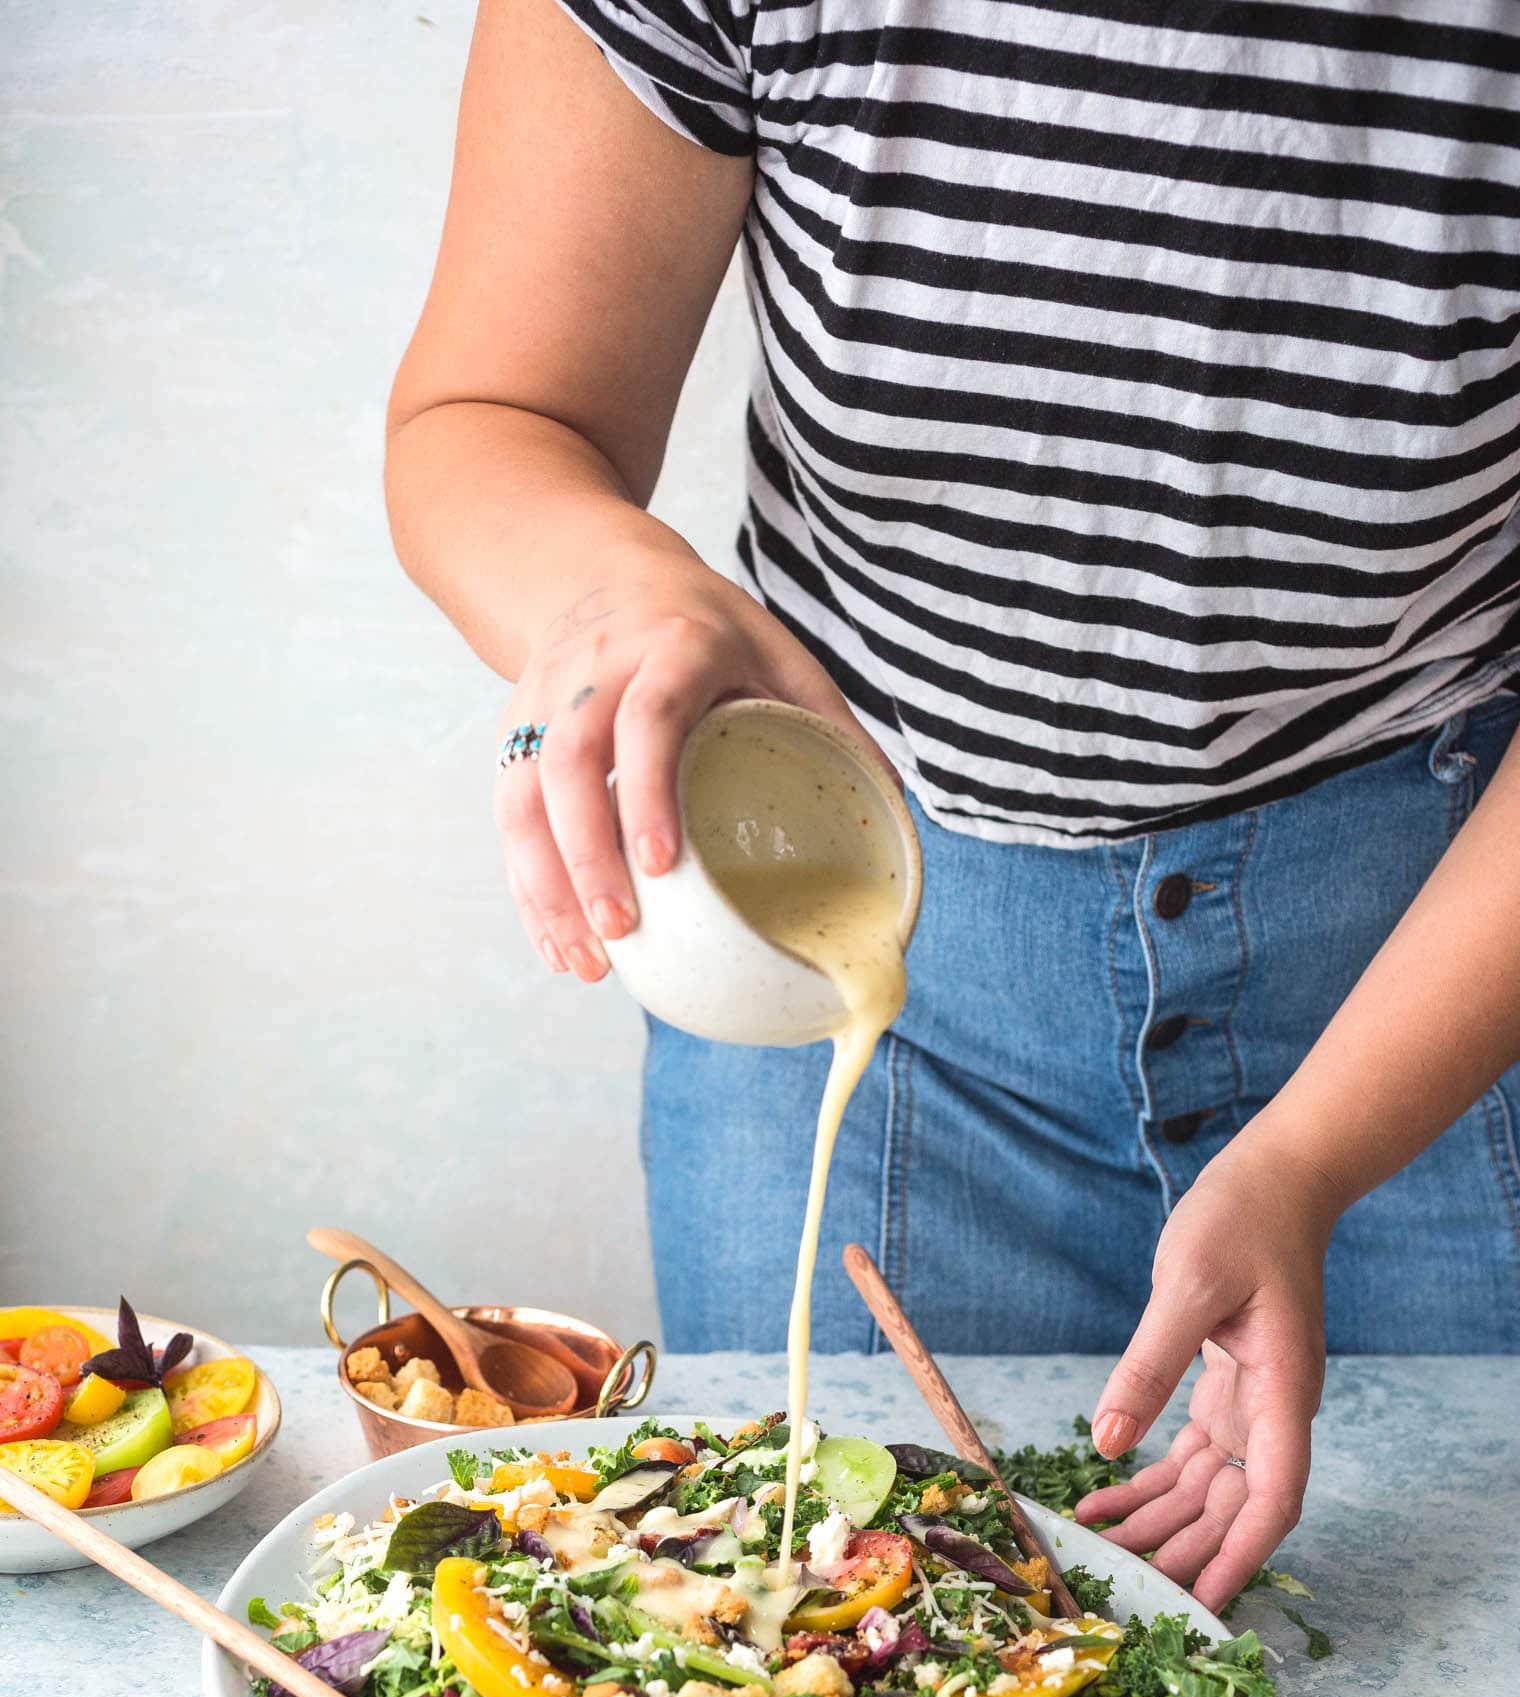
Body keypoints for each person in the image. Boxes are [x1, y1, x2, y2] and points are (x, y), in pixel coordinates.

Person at [385, 0, 1520, 1611]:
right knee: (783, 1637)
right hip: (844, 963)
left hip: (1442, 979)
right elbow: (492, 415)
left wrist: (1314, 1158)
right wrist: (614, 600)